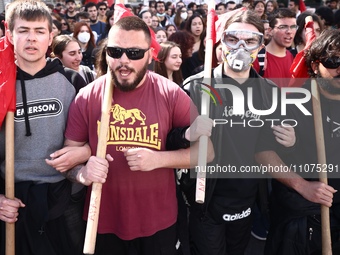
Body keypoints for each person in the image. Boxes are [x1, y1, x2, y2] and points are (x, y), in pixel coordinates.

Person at [61, 16, 214, 255]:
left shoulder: (170, 93)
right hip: (101, 223)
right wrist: (82, 173)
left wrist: (159, 160)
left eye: (134, 53)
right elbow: (68, 161)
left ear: (150, 55)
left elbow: (207, 153)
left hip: (159, 223)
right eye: (115, 51)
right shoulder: (87, 96)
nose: (123, 61)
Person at [180, 10, 281, 255]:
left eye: (250, 41)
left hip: (248, 200)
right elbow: (172, 142)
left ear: (260, 45)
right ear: (221, 42)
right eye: (233, 39)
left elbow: (267, 147)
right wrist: (187, 133)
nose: (241, 48)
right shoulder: (195, 87)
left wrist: (288, 141)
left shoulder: (270, 92)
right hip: (206, 201)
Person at [0, 1, 89, 255]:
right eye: (23, 30)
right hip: (12, 200)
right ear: (9, 33)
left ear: (51, 36)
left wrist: (83, 153)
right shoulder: (1, 84)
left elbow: (96, 139)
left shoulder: (72, 81)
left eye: (39, 31)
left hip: (65, 197)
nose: (31, 39)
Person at [255, 29, 340, 254]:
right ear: (314, 66)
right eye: (333, 61)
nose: (339, 68)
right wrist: (303, 186)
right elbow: (263, 153)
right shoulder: (290, 102)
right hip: (303, 219)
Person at [253, 8, 297, 88]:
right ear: (270, 31)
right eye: (283, 27)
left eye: (293, 26)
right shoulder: (257, 59)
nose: (289, 31)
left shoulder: (294, 58)